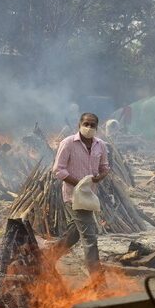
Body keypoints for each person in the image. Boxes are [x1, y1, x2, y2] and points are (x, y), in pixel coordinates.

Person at [49, 113, 110, 277]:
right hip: (73, 197)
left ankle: (47, 258)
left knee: (75, 234)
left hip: (90, 198)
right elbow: (58, 170)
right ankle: (97, 279)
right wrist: (79, 183)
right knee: (90, 237)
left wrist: (100, 177)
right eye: (86, 124)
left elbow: (105, 167)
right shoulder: (68, 143)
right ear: (79, 124)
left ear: (97, 127)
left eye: (92, 125)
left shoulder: (100, 145)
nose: (89, 128)